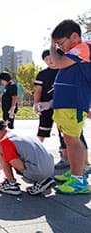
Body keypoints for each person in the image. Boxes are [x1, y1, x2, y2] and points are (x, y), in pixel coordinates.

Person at [48, 19, 91, 194]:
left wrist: (52, 47)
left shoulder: (83, 47)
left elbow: (57, 62)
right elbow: (55, 62)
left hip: (73, 103)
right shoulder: (75, 52)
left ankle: (79, 181)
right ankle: (75, 174)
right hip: (67, 103)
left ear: (74, 36)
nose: (60, 48)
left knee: (73, 141)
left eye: (61, 43)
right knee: (70, 140)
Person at [0, 119, 56, 196]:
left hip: (37, 172)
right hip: (50, 168)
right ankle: (43, 181)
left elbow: (19, 165)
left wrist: (8, 161)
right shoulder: (18, 132)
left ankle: (11, 184)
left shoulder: (6, 141)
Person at [33, 49, 58, 142]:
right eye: (46, 59)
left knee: (64, 133)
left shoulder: (63, 70)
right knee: (42, 131)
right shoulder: (42, 74)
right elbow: (38, 91)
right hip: (45, 106)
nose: (50, 60)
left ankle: (64, 152)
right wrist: (36, 104)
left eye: (51, 57)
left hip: (62, 106)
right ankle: (37, 151)